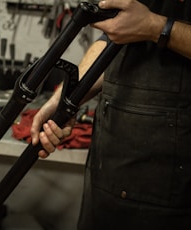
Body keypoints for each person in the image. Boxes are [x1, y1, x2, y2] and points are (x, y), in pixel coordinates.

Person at [30, 0, 191, 229]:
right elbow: (114, 38)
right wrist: (64, 99)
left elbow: (144, 26)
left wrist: (156, 27)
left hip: (173, 184)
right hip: (108, 170)